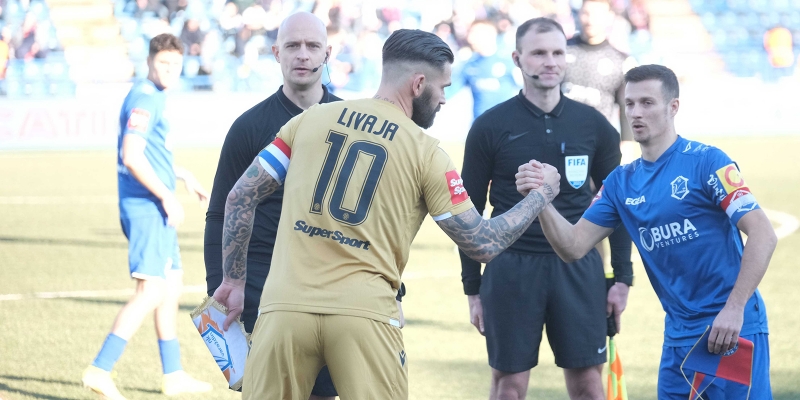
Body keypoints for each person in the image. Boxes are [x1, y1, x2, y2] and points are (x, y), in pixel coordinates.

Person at [212, 28, 562, 400]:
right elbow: (483, 243)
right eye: (443, 87)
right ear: (419, 84)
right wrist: (541, 195)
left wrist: (233, 281)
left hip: (284, 310)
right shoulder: (426, 151)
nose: (444, 99)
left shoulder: (310, 120)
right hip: (364, 316)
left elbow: (241, 196)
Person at [517, 64, 776, 399]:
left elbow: (763, 234)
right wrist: (541, 200)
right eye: (629, 103)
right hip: (678, 337)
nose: (635, 113)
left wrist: (734, 308)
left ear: (673, 106)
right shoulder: (620, 183)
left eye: (647, 103)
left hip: (729, 330)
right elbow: (573, 246)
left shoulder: (708, 162)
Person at [204, 12, 385, 400]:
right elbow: (220, 211)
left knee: (323, 394)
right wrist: (220, 283)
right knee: (268, 392)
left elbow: (373, 217)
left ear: (327, 53)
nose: (302, 54)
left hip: (333, 284)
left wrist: (389, 291)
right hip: (262, 282)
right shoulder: (249, 127)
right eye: (292, 46)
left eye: (312, 46)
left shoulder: (354, 124)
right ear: (276, 53)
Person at [459, 17, 633, 400]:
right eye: (538, 53)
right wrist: (473, 287)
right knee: (508, 388)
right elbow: (468, 213)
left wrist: (622, 278)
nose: (550, 61)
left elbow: (616, 205)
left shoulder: (594, 126)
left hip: (579, 268)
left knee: (589, 387)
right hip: (511, 268)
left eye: (557, 52)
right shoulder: (490, 126)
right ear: (517, 59)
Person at [81, 33, 212, 400]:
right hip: (146, 208)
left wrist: (182, 176)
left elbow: (150, 153)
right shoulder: (145, 98)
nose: (169, 70)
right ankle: (100, 370)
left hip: (154, 204)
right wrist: (167, 196)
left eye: (175, 65)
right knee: (151, 290)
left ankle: (173, 374)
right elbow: (132, 155)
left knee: (171, 286)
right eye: (163, 63)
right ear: (150, 61)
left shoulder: (153, 95)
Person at [562, 0, 637, 164]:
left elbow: (626, 107)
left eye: (596, 15)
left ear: (609, 17)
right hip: (560, 142)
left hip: (599, 147)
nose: (590, 20)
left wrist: (627, 146)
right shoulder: (560, 52)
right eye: (586, 13)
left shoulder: (621, 60)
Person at [449, 19, 521, 120]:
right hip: (480, 125)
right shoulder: (469, 64)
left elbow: (529, 91)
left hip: (507, 124)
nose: (470, 39)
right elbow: (449, 90)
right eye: (470, 33)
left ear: (491, 34)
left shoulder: (509, 60)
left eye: (476, 33)